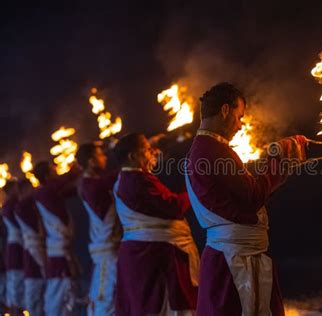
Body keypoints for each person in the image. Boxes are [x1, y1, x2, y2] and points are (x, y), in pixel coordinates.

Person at [186, 82, 308, 315]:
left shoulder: (204, 148)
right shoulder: (213, 151)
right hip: (233, 261)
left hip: (227, 256)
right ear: (224, 111)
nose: (240, 126)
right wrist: (280, 157)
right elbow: (253, 197)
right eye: (239, 117)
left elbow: (244, 197)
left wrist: (279, 165)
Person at [113, 133, 199, 316]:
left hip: (143, 254)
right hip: (154, 256)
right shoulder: (138, 181)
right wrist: (194, 185)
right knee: (164, 307)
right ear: (132, 157)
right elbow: (174, 207)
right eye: (147, 149)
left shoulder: (126, 176)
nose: (153, 152)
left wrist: (149, 146)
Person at [76, 143, 120, 316]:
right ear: (91, 161)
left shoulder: (92, 183)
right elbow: (114, 177)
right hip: (106, 256)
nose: (105, 158)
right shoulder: (91, 185)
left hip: (110, 251)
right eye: (101, 155)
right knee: (105, 302)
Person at [33, 161, 80, 316]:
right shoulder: (44, 192)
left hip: (61, 250)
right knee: (58, 295)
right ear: (47, 176)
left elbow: (71, 188)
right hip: (57, 254)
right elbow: (67, 179)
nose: (57, 172)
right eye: (54, 171)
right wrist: (76, 166)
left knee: (68, 292)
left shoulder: (50, 192)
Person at [15, 179, 46, 316]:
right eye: (30, 188)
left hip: (38, 250)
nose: (32, 190)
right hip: (32, 253)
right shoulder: (21, 206)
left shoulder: (29, 204)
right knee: (33, 301)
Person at [1, 180, 24, 314]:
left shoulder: (11, 206)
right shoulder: (11, 207)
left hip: (12, 257)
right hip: (13, 255)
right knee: (15, 296)